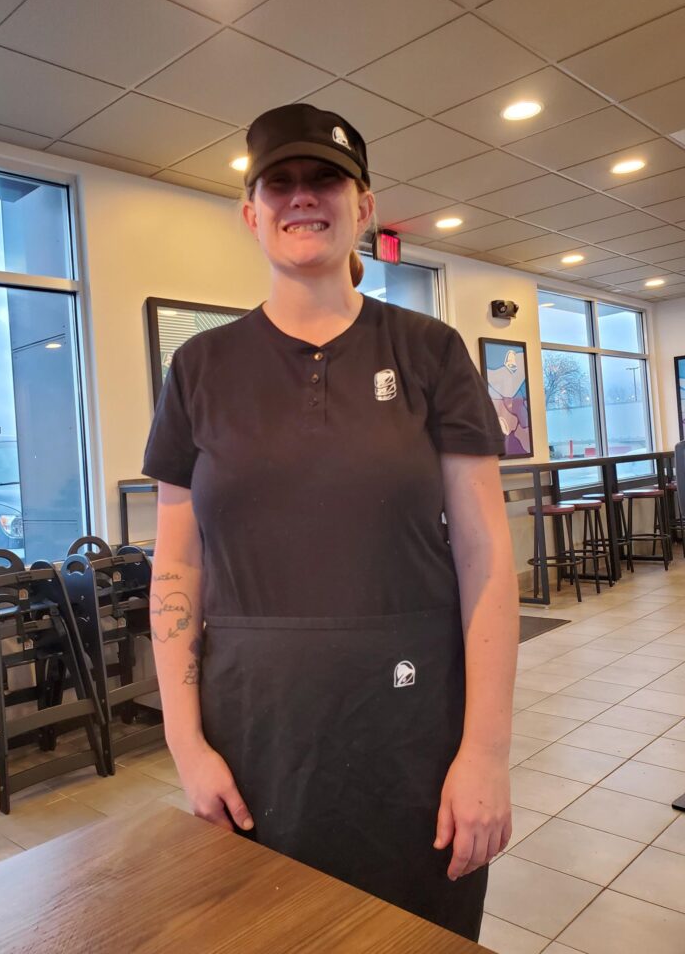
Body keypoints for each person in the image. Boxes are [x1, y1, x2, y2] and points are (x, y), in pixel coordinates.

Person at [142, 103, 519, 942]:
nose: (301, 198)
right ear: (251, 213)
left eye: (326, 180)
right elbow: (176, 567)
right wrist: (184, 742)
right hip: (255, 737)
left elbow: (486, 556)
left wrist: (486, 752)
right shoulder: (199, 368)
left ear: (365, 206)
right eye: (280, 182)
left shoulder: (432, 352)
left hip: (413, 733)